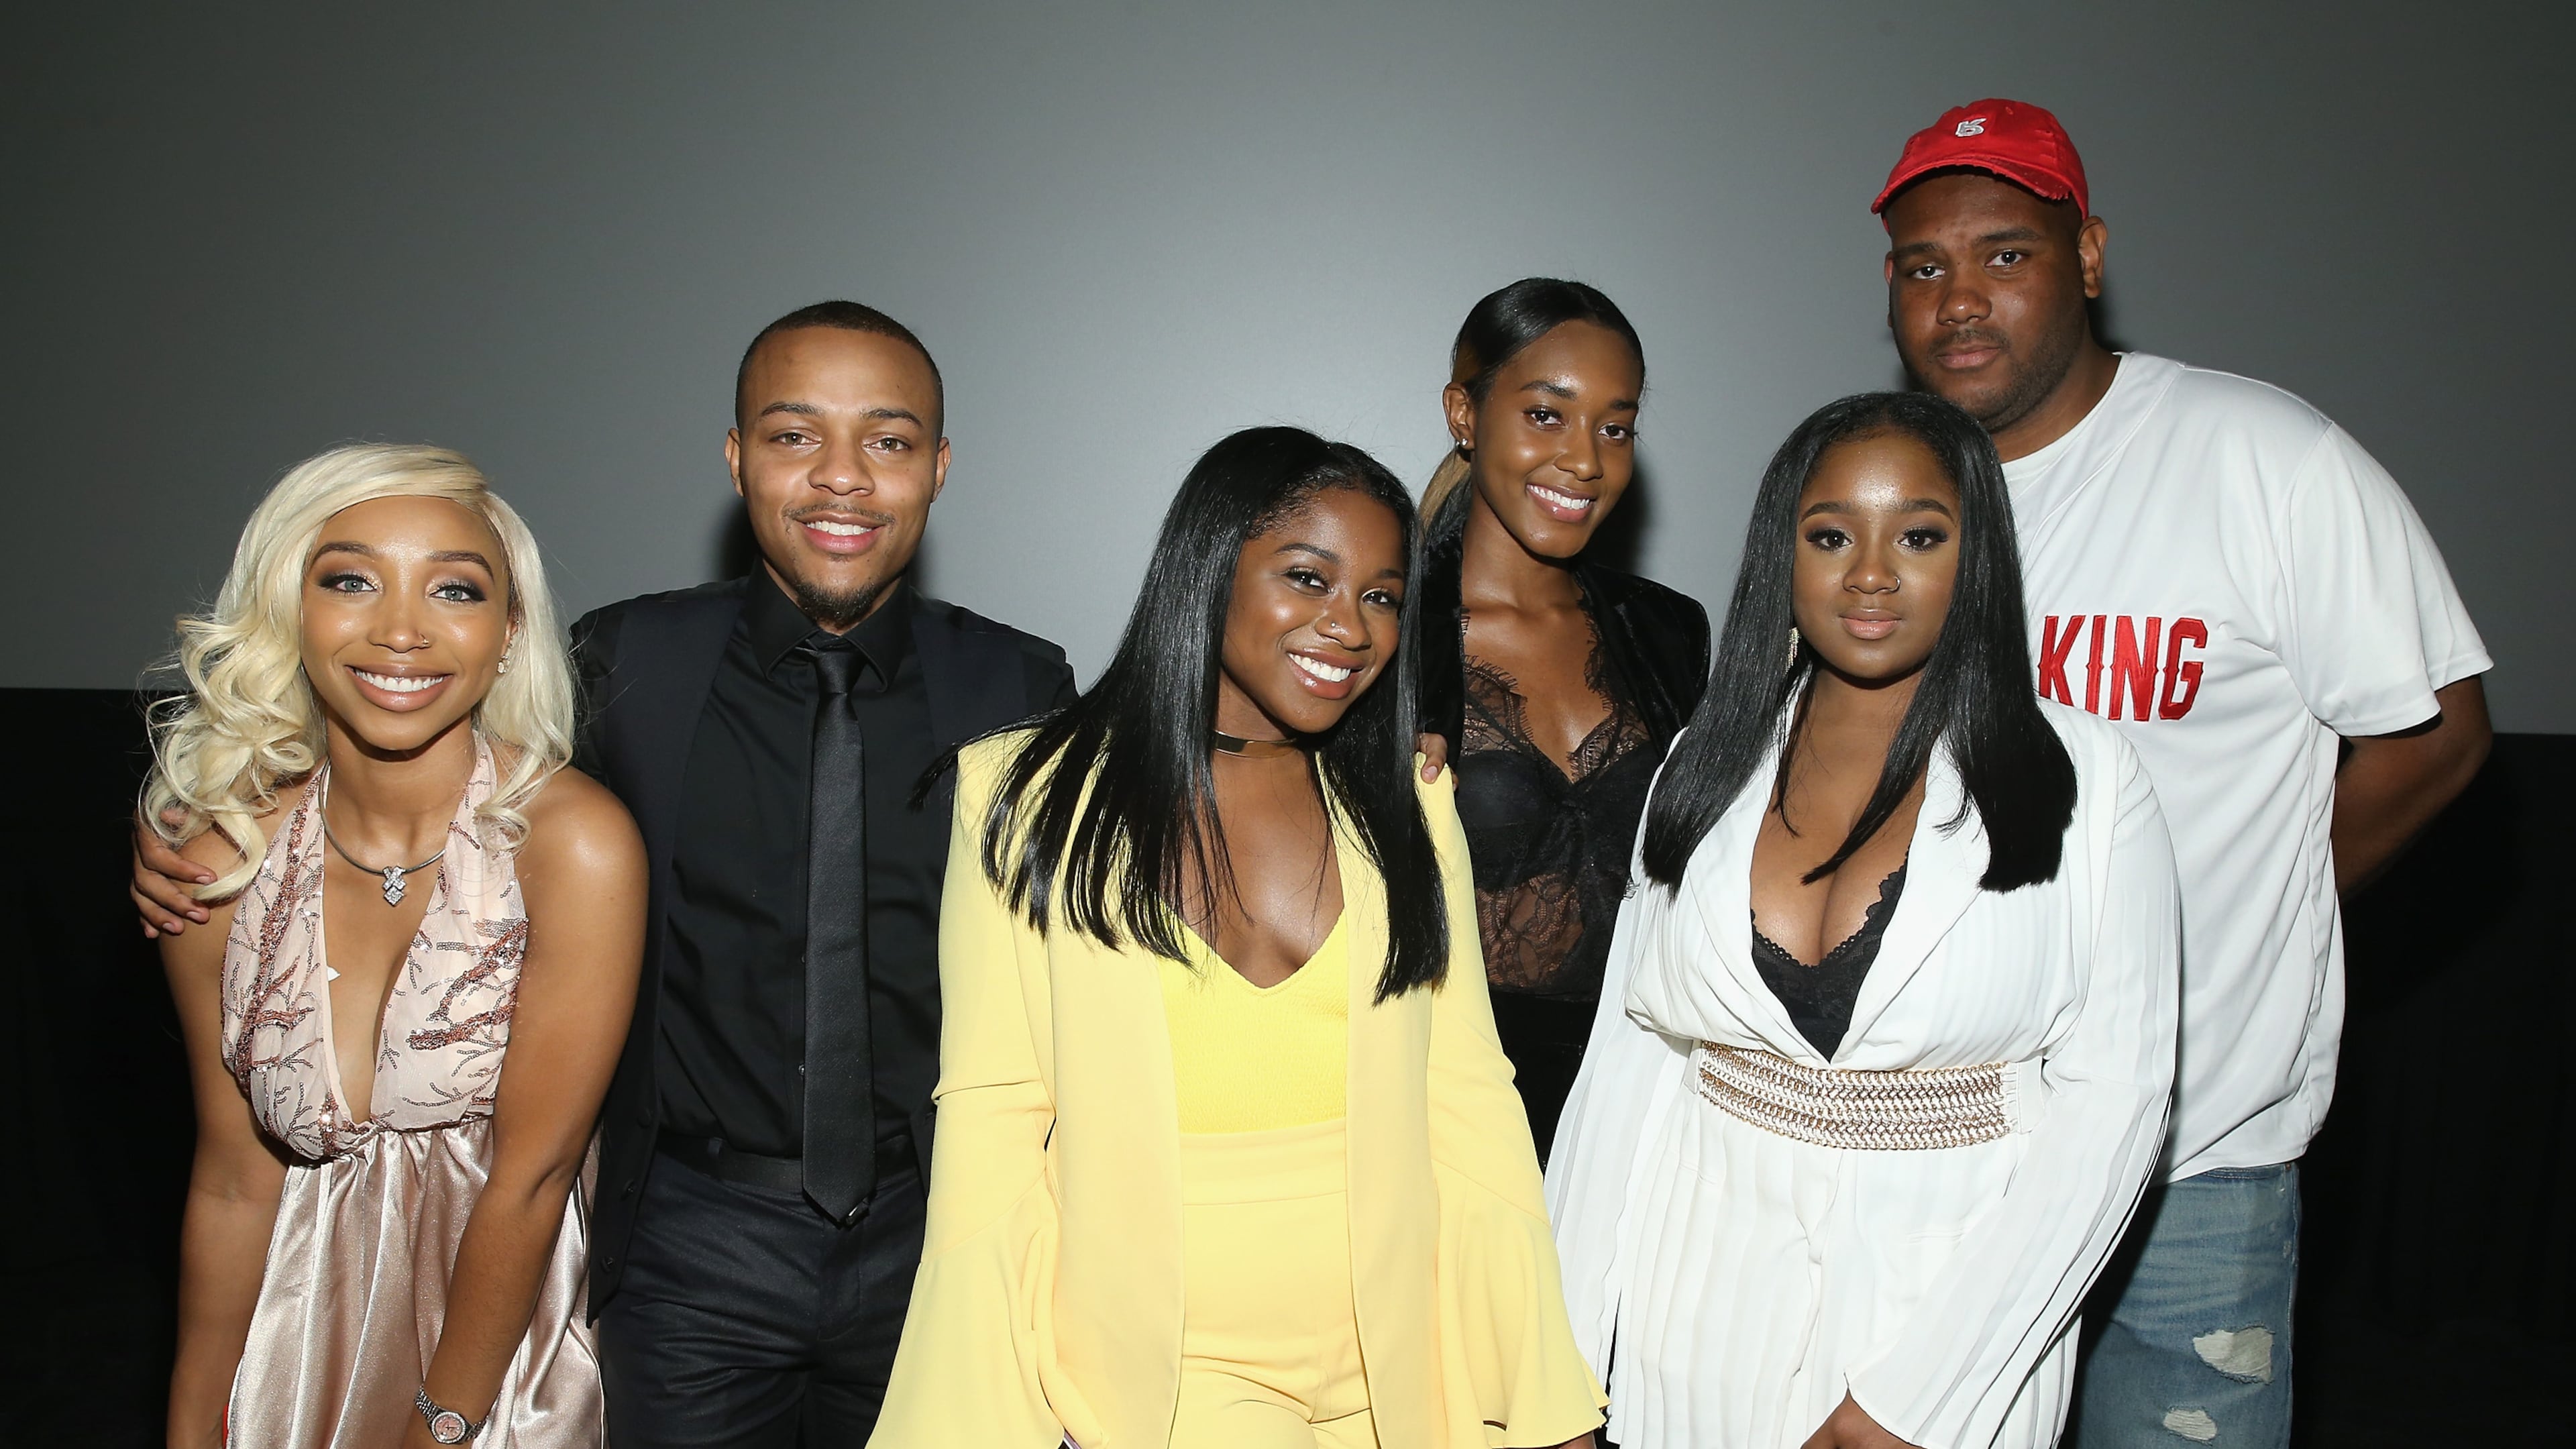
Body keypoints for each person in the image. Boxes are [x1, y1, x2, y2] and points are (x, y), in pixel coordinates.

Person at [137, 302, 1077, 1446]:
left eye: (886, 441)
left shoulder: (1020, 688)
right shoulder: (626, 661)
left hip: (939, 1238)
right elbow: (429, 762)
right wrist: (204, 812)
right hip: (685, 1244)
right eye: (793, 437)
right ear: (736, 461)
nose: (842, 479)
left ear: (937, 468)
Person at [1870, 99, 2493, 1447]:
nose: (1959, 299)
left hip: (2192, 1162)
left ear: (2088, 255)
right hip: (1946, 1146)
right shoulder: (1893, 500)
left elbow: (2436, 729)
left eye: (2003, 254)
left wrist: (2254, 918)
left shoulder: (2263, 457)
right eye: (1923, 266)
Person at [873, 427, 1605, 1448]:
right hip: (1170, 1375)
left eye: (1382, 597)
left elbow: (1470, 1100)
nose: (1348, 627)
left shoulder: (1408, 802)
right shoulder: (1024, 799)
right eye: (1307, 577)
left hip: (1402, 1358)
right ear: (1211, 570)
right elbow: (993, 1122)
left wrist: (1542, 1388)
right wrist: (970, 1416)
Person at [1548, 393, 2181, 1449]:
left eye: (1920, 536)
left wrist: (1919, 1402)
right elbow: (1629, 1060)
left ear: (1974, 558)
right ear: (1781, 557)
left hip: (1950, 1333)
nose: (1872, 573)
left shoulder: (2093, 783)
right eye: (1831, 534)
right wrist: (1556, 1358)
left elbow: (2117, 1104)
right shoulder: (1702, 766)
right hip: (1689, 1316)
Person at [150, 444, 645, 1448]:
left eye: (454, 589)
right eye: (351, 581)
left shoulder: (574, 847)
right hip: (296, 1354)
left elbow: (533, 1177)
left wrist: (443, 1424)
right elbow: (233, 1181)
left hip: (504, 1354)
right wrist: (196, 1419)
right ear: (293, 610)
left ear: (507, 634)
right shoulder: (221, 859)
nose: (403, 630)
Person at [1413, 278, 1709, 1158]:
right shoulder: (1383, 636)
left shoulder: (1667, 630)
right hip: (1447, 1124)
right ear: (1464, 413)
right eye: (1548, 414)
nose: (1587, 459)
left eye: (1615, 427)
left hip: (1644, 1114)